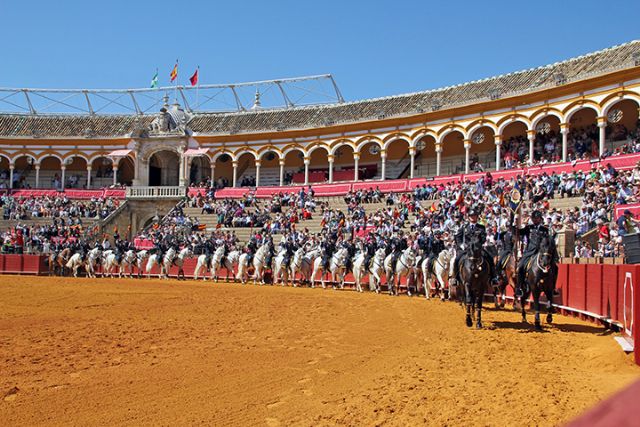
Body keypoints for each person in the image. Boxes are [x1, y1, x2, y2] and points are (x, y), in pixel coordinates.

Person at [516, 210, 558, 297]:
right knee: (520, 267)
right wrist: (516, 223)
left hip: (542, 253)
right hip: (530, 252)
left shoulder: (545, 229)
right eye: (534, 218)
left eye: (537, 218)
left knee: (555, 267)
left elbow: (549, 242)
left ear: (540, 219)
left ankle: (553, 288)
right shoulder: (528, 228)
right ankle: (519, 288)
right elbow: (518, 233)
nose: (535, 220)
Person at [451, 208, 496, 286]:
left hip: (478, 249)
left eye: (474, 216)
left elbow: (483, 238)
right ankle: (456, 278)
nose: (473, 217)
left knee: (490, 258)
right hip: (467, 249)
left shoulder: (481, 227)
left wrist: (479, 244)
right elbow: (458, 237)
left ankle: (493, 278)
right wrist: (461, 244)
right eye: (471, 216)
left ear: (477, 217)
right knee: (457, 259)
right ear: (468, 217)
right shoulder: (464, 227)